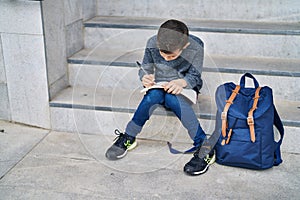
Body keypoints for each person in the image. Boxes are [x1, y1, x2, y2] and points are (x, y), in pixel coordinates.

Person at [105, 19, 215, 175]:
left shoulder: (196, 45)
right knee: (152, 96)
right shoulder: (152, 43)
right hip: (159, 84)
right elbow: (145, 69)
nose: (165, 59)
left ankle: (204, 146)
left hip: (185, 87)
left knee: (172, 99)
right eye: (162, 54)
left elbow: (195, 76)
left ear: (185, 46)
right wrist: (145, 77)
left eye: (171, 57)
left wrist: (181, 82)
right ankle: (129, 137)